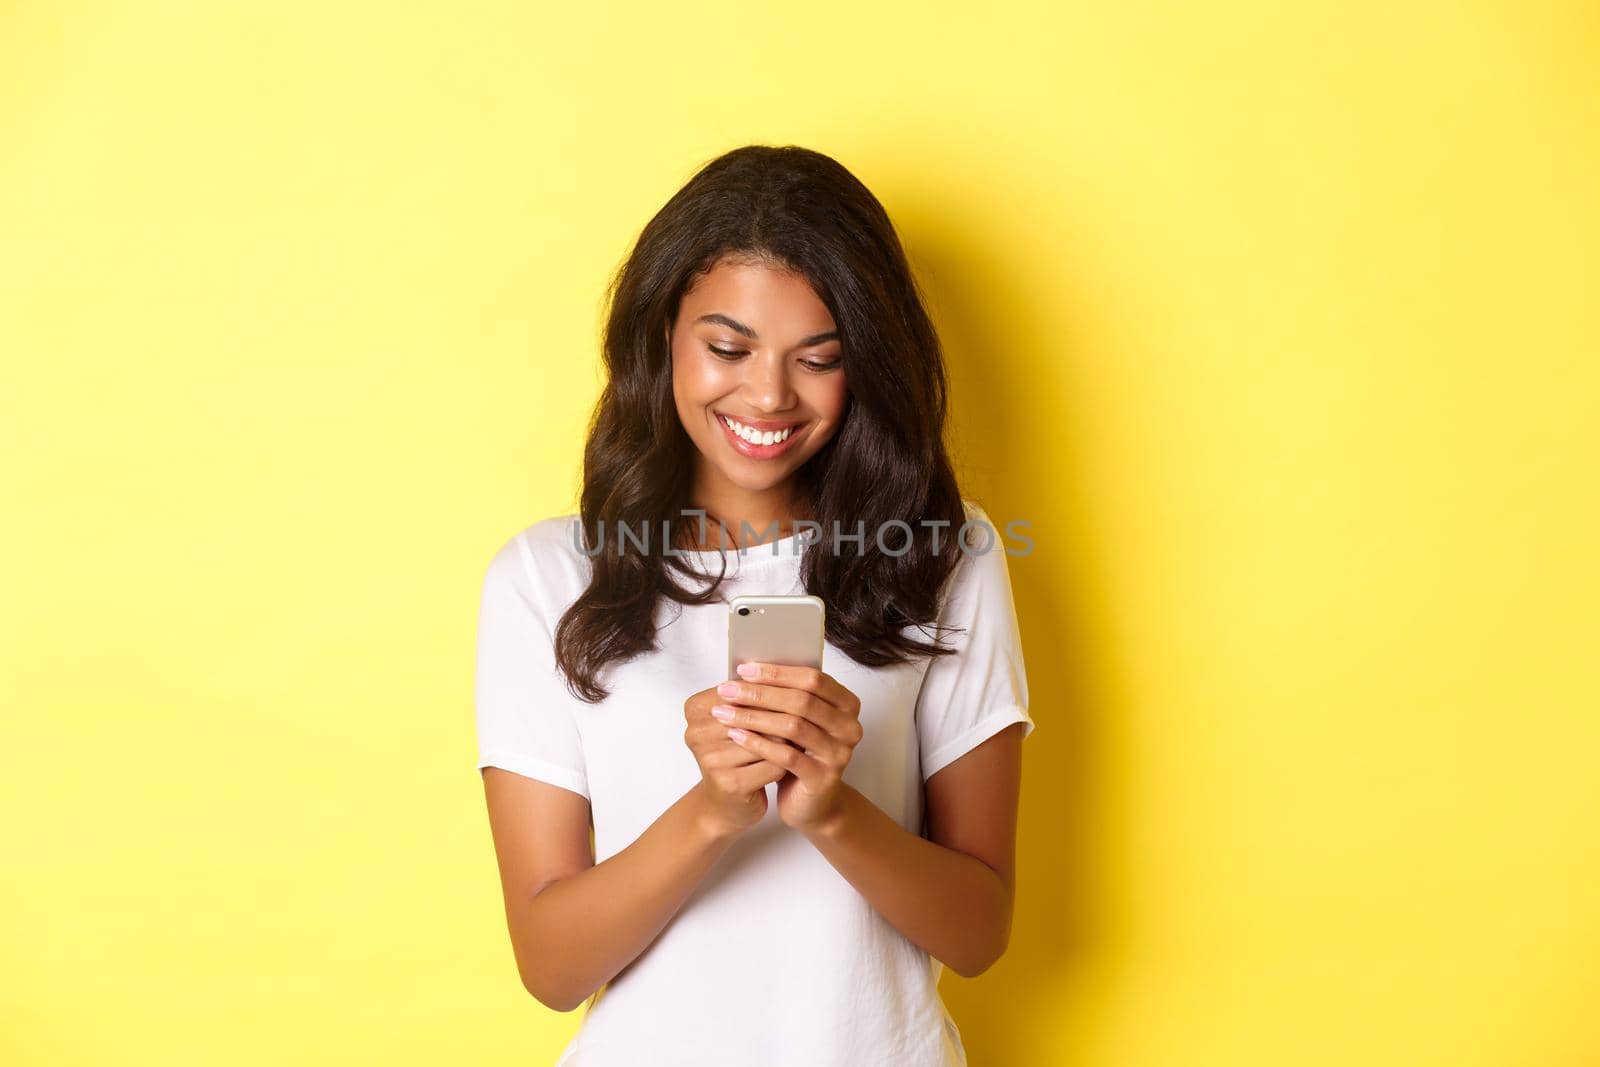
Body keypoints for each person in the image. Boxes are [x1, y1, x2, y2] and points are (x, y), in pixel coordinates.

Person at [475, 144, 1036, 1066]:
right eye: (728, 348)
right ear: (664, 335)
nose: (769, 396)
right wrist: (711, 811)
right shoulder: (544, 578)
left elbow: (979, 933)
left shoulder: (946, 554)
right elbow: (551, 965)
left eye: (819, 358)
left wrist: (832, 811)